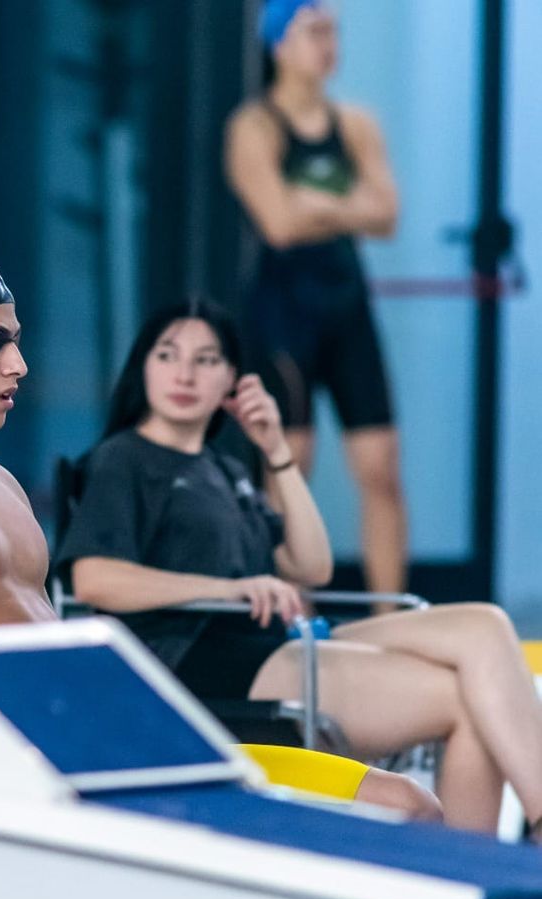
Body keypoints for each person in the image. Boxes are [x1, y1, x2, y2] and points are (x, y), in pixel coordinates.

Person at [0, 245, 437, 820]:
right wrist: (98, 724)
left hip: (124, 749)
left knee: (410, 807)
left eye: (17, 341)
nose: (19, 365)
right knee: (389, 824)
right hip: (60, 783)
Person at [58, 297, 542, 836]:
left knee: (484, 626)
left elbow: (311, 565)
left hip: (271, 646)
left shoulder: (224, 469)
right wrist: (231, 587)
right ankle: (487, 878)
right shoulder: (123, 460)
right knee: (467, 701)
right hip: (202, 662)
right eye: (168, 355)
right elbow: (93, 578)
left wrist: (276, 451)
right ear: (143, 365)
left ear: (233, 383)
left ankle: (496, 867)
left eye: (207, 360)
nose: (185, 374)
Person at [225, 0, 408, 602]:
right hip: (284, 315)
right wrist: (342, 202)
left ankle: (388, 616)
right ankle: (290, 615)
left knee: (381, 471)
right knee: (288, 467)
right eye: (315, 32)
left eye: (334, 31)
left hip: (348, 308)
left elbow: (387, 213)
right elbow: (277, 223)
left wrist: (317, 205)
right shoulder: (254, 127)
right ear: (279, 44)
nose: (329, 44)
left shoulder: (356, 123)